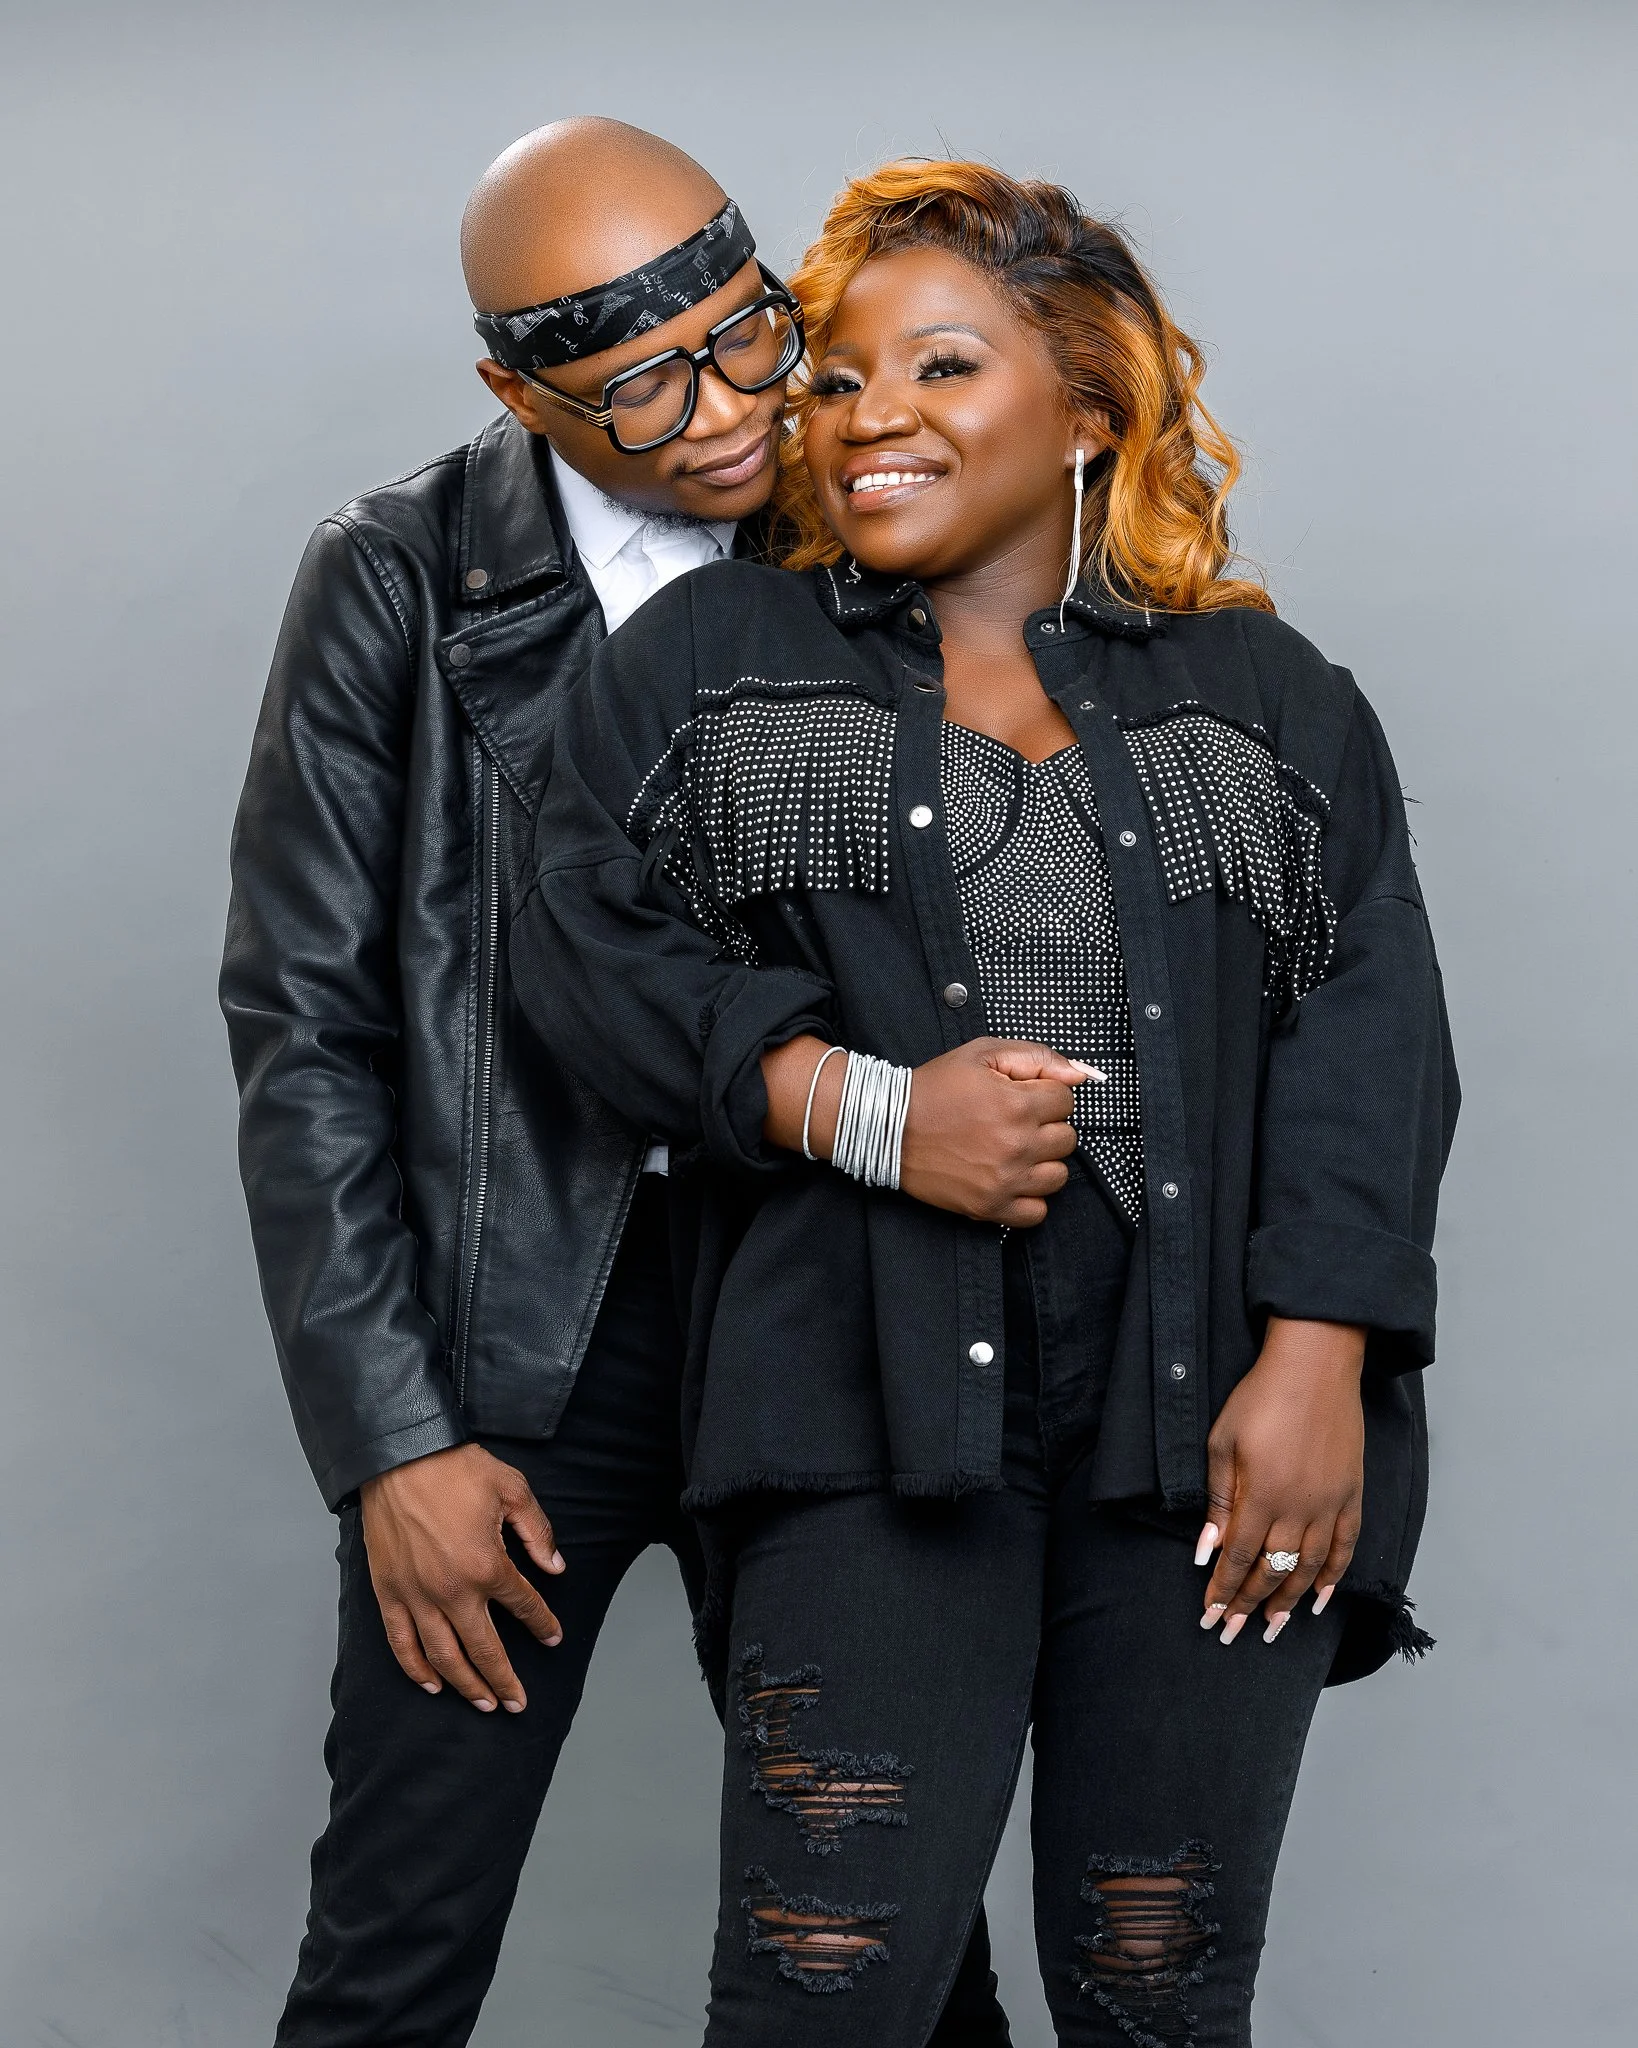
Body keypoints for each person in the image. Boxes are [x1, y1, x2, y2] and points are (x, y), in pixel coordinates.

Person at [512, 159, 1459, 2046]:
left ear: (1090, 407)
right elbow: (580, 956)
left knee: (1156, 1988)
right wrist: (857, 1107)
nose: (871, 416)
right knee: (821, 1993)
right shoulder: (707, 666)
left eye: (941, 365)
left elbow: (1371, 1035)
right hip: (857, 1412)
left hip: (1209, 1429)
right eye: (842, 374)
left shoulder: (1271, 699)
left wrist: (1317, 1362)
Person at [221, 119, 1009, 2046]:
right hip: (515, 1351)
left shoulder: (877, 526)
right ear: (511, 385)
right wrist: (392, 1440)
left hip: (828, 1318)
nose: (729, 409)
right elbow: (304, 1023)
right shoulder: (398, 579)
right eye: (637, 380)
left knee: (895, 1958)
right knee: (395, 1955)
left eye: (751, 336)